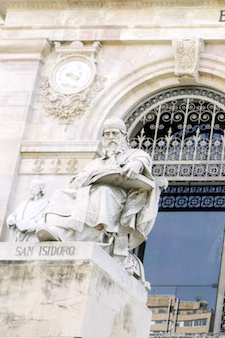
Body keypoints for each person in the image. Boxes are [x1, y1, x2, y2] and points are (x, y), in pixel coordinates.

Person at [37, 117, 162, 280]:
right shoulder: (97, 162)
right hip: (89, 194)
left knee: (103, 192)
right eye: (107, 134)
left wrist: (135, 165)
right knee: (60, 193)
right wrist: (89, 176)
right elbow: (76, 182)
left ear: (123, 136)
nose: (111, 137)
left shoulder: (134, 155)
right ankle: (59, 231)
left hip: (120, 197)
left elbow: (142, 160)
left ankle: (87, 235)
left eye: (115, 133)